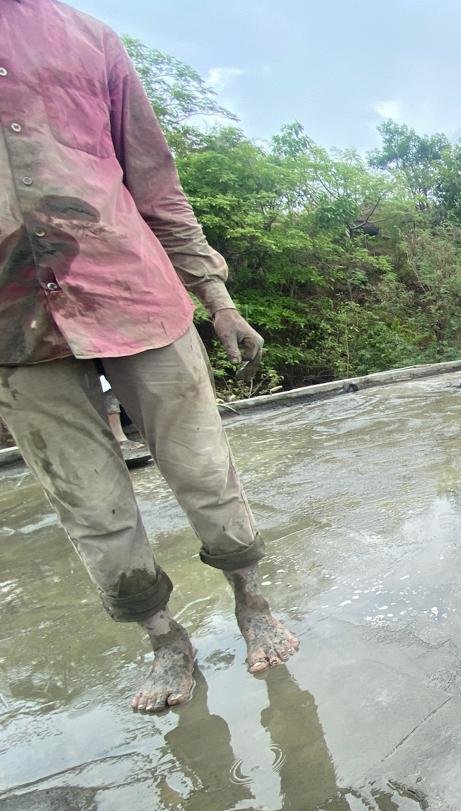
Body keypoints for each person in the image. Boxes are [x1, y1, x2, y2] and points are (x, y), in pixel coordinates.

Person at [0, 0, 299, 712]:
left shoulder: (88, 39)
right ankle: (166, 641)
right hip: (14, 330)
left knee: (205, 471)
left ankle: (252, 602)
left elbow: (156, 184)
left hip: (134, 293)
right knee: (89, 504)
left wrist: (217, 297)